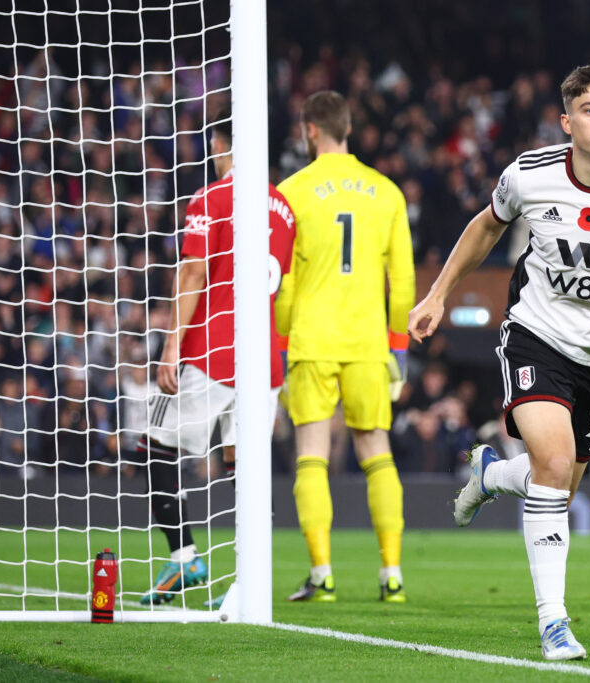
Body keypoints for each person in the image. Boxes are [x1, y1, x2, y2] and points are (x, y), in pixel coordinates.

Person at [408, 64, 590, 660]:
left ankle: (491, 476)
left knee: (556, 489)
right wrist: (437, 293)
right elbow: (486, 228)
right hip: (534, 334)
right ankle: (554, 623)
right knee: (556, 461)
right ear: (567, 122)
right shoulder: (530, 174)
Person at [138, 115, 296, 605]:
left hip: (212, 351)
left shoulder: (210, 199)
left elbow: (191, 275)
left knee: (154, 443)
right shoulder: (285, 209)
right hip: (265, 359)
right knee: (241, 463)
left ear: (217, 143)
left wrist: (170, 346)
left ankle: (183, 559)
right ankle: (252, 581)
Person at [276, 90, 415, 603]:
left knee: (311, 452)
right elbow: (401, 283)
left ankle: (322, 574)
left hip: (311, 339)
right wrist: (397, 350)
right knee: (376, 451)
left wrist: (281, 339)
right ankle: (392, 574)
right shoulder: (387, 192)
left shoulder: (291, 193)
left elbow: (285, 281)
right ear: (348, 127)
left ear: (310, 129)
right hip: (367, 341)